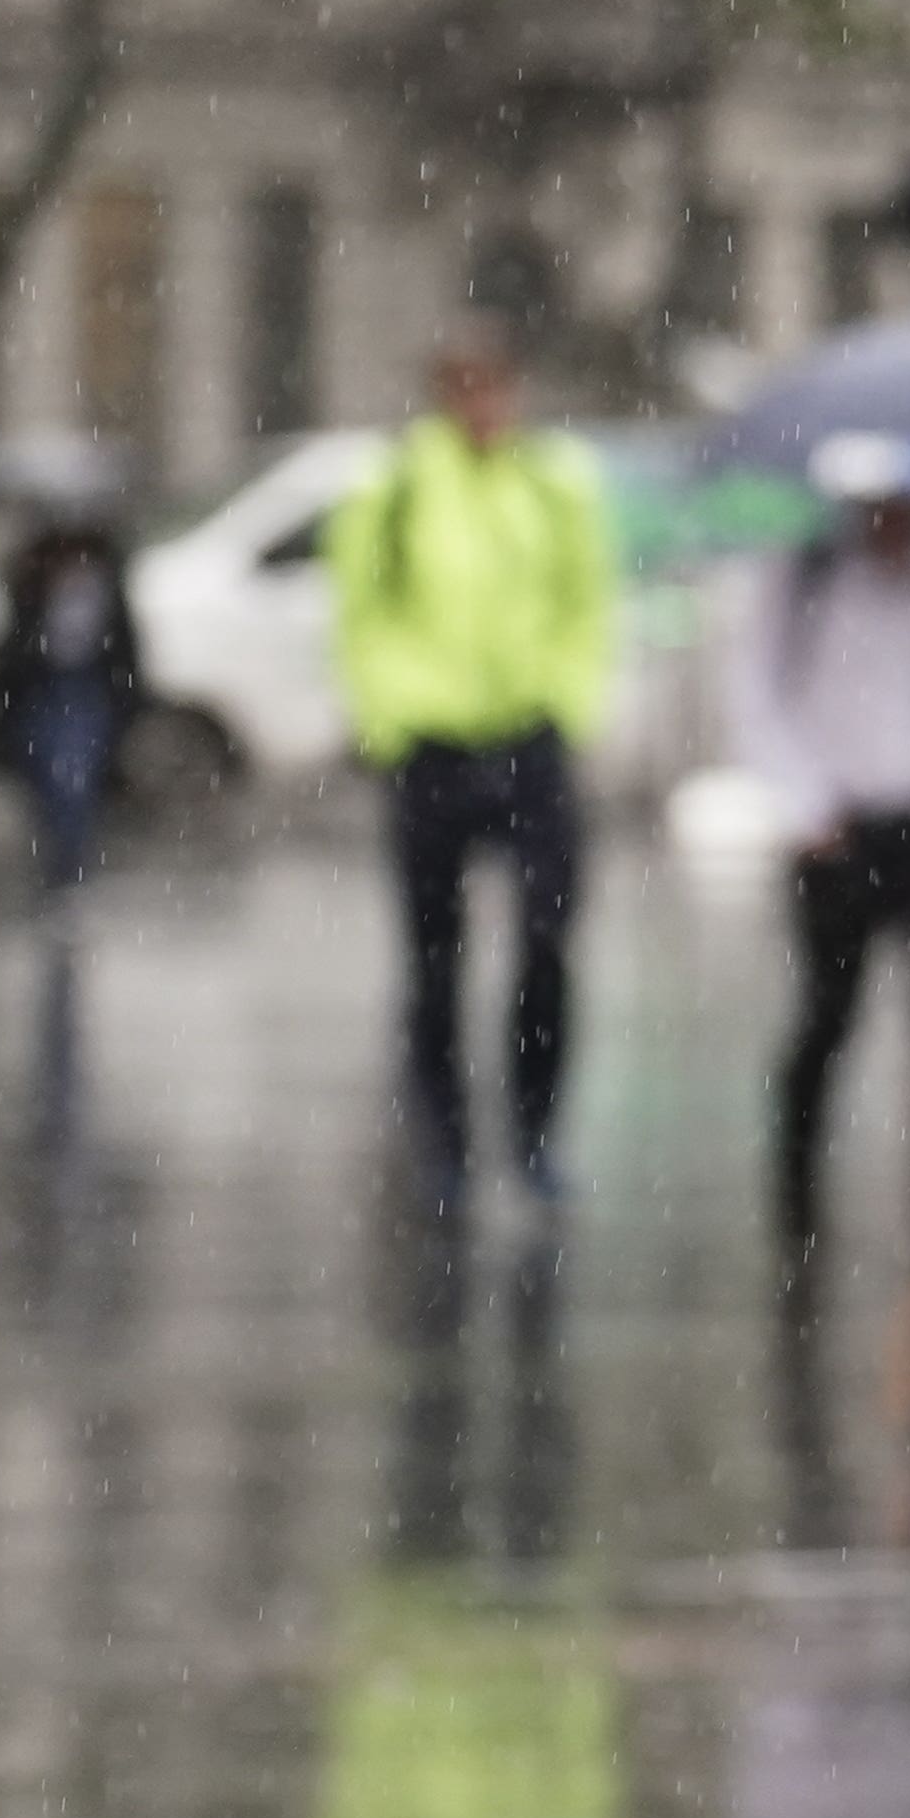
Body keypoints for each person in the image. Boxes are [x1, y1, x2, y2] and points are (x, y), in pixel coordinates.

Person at [327, 325, 617, 1216]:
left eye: (497, 388)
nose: (486, 407)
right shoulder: (404, 486)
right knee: (435, 962)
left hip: (528, 738)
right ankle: (445, 1144)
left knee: (544, 944)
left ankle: (534, 1133)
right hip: (435, 746)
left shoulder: (550, 485)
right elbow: (361, 610)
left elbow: (587, 599)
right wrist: (392, 717)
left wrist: (566, 703)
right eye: (468, 389)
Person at [732, 432, 910, 1289]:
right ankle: (796, 1220)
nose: (898, 524)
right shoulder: (811, 575)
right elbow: (755, 692)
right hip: (841, 827)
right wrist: (806, 804)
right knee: (827, 1020)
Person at [0, 510, 148, 900]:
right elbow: (13, 641)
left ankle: (69, 873)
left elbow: (124, 642)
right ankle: (56, 867)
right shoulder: (32, 572)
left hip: (86, 690)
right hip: (40, 690)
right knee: (44, 785)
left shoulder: (105, 573)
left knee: (73, 784)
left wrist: (130, 697)